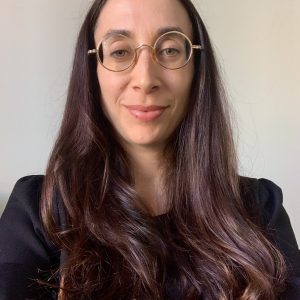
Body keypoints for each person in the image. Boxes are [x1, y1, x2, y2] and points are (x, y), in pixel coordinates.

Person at [0, 0, 299, 299]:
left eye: (169, 49)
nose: (145, 80)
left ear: (196, 67)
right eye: (119, 51)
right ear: (91, 70)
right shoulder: (39, 214)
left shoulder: (261, 210)